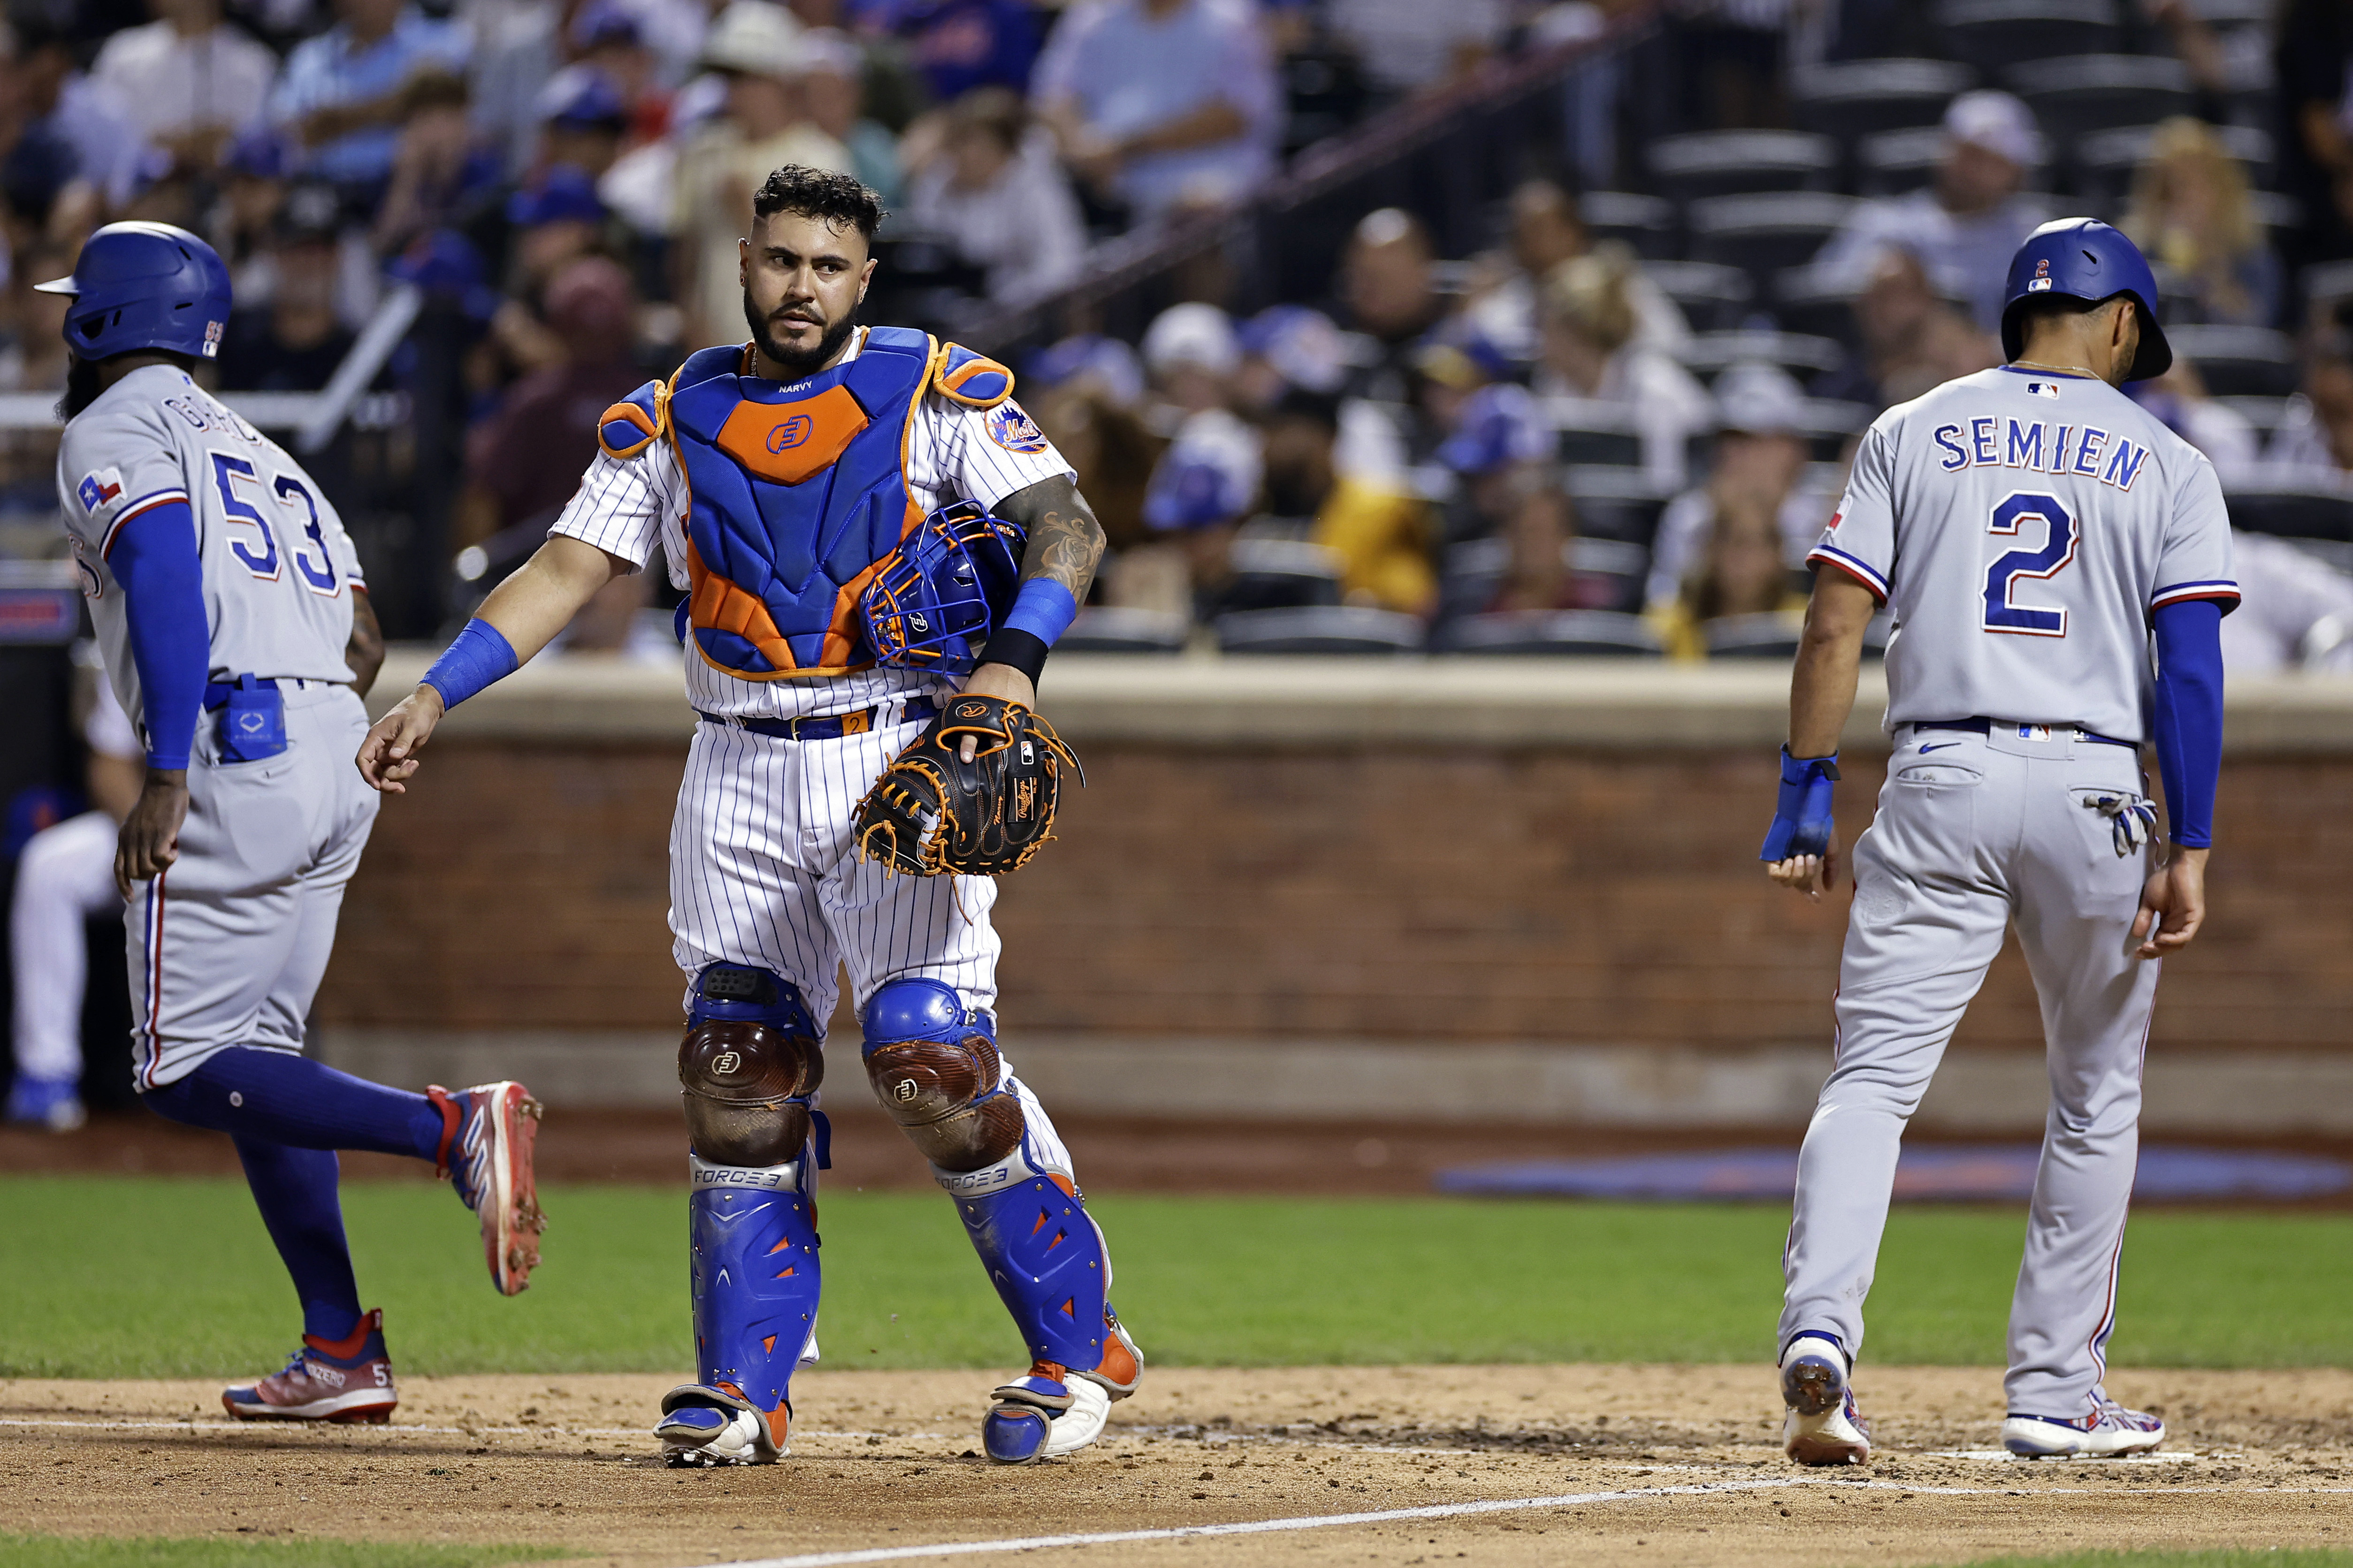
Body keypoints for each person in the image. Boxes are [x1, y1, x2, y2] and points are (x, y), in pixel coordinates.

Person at [356, 167, 1142, 1468]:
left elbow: (1064, 526)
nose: (800, 287)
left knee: (926, 1055)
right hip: (732, 763)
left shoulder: (938, 386)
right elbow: (565, 570)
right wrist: (435, 692)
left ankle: (1075, 1342)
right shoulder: (671, 414)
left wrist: (1007, 668)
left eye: (826, 267)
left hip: (895, 741)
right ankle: (742, 1388)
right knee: (738, 1067)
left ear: (862, 277)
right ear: (743, 261)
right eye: (780, 261)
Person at [41, 221, 545, 1421]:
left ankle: (448, 1128)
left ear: (103, 319)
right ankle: (339, 1345)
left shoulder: (113, 427)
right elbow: (367, 640)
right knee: (257, 1064)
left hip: (227, 746)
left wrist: (166, 766)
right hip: (330, 743)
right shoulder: (275, 452)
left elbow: (162, 574)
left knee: (179, 1070)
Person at [1763, 219, 2231, 1464]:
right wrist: (2188, 841)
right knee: (2093, 1092)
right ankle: (2051, 1389)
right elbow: (2186, 670)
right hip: (2089, 789)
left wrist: (1803, 786)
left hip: (1937, 770)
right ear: (2120, 321)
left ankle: (1819, 1335)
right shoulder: (2165, 458)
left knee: (1869, 1080)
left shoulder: (1907, 427)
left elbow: (1830, 625)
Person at [6, 667, 143, 1132]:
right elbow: (110, 763)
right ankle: (47, 1074)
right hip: (150, 825)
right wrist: (152, 841)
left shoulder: (259, 635)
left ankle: (257, 1074)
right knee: (50, 869)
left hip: (237, 832)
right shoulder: (130, 639)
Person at [672, 3, 854, 348]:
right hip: (711, 345)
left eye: (748, 77)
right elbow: (686, 253)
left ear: (783, 81)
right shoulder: (702, 151)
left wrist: (752, 218)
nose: (736, 91)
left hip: (793, 347)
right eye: (729, 77)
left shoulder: (821, 159)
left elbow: (828, 269)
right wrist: (691, 323)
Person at [1811, 90, 2054, 335]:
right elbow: (1825, 301)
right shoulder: (1885, 224)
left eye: (1992, 161)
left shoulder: (2038, 239)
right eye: (1968, 154)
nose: (1974, 170)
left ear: (2017, 173)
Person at [1031, 0, 1278, 223]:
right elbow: (1053, 98)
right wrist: (1083, 149)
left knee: (1196, 214)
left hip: (1208, 174)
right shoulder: (1092, 16)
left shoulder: (1230, 18)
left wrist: (1123, 148)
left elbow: (1234, 117)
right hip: (1102, 176)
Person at [1647, 362, 1833, 610]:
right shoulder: (1690, 516)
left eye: (1762, 442)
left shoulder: (1824, 517)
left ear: (1795, 450)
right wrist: (1716, 528)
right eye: (1733, 442)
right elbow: (1664, 605)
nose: (1745, 456)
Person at [1536, 245, 1712, 491]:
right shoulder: (1554, 386)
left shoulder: (1656, 389)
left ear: (1579, 332)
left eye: (1548, 330)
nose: (1540, 341)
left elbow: (1665, 489)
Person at [267, 0, 472, 195]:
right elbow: (289, 133)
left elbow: (444, 114)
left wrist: (330, 123)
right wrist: (394, 107)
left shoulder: (442, 44)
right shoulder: (309, 57)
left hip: (393, 188)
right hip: (315, 188)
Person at [901, 87, 1084, 304]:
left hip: (1022, 308)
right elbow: (922, 249)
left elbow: (1063, 264)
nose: (965, 154)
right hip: (953, 305)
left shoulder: (1034, 183)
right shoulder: (938, 182)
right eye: (959, 142)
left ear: (1005, 147)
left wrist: (1013, 303)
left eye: (977, 143)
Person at [1260, 388, 1435, 614]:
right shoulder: (1260, 507)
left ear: (1325, 436)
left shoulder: (1380, 510)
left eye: (1282, 430)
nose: (1268, 445)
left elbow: (1415, 602)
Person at [2120, 117, 2282, 331]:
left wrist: (2213, 271)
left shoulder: (2253, 258)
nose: (2190, 201)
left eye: (2200, 187)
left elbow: (2258, 329)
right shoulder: (2132, 258)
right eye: (2176, 190)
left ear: (2224, 192)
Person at [92, 0, 278, 174]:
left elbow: (258, 151)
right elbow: (102, 143)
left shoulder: (254, 63)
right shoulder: (122, 55)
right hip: (142, 194)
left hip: (225, 192)